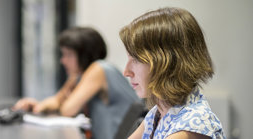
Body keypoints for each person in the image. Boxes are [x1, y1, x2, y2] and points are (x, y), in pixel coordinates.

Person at [13, 27, 141, 139]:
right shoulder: (82, 75)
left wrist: (55, 101)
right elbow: (58, 100)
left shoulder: (99, 69)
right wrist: (36, 105)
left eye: (68, 55)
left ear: (85, 55)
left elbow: (67, 110)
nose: (63, 60)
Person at [120, 7, 225, 139]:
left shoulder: (190, 127)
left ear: (166, 63)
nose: (126, 72)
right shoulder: (159, 113)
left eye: (136, 59)